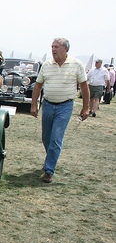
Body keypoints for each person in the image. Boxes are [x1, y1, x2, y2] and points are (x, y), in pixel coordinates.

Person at [30, 37, 89, 183]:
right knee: (46, 137)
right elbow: (38, 86)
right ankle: (51, 158)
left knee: (56, 138)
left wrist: (86, 108)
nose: (53, 49)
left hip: (65, 106)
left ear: (65, 48)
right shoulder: (46, 65)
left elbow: (84, 86)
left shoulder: (77, 64)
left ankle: (49, 170)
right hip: (48, 104)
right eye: (52, 47)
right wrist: (33, 105)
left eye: (56, 47)